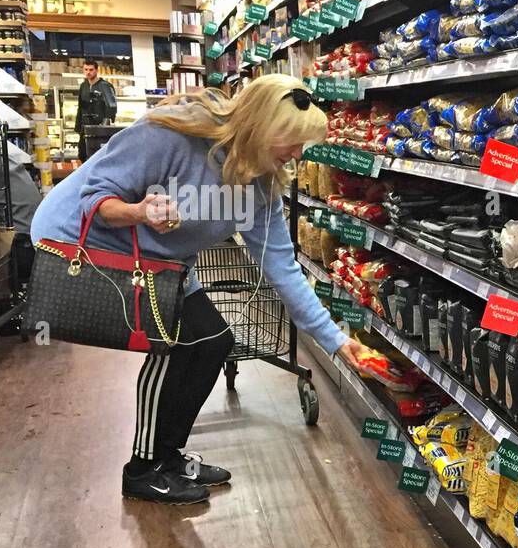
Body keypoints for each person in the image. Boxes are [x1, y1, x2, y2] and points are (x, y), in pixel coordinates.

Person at [30, 73, 366, 505]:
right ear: (263, 129)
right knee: (174, 342)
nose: (298, 155)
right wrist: (139, 210)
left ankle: (167, 458)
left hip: (163, 262)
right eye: (292, 142)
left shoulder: (261, 189)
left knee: (212, 341)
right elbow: (94, 197)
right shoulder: (169, 136)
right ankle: (142, 468)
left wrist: (338, 343)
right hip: (83, 240)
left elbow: (283, 270)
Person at [75, 58, 117, 159]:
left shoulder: (105, 86)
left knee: (98, 157)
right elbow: (80, 106)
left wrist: (105, 127)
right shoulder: (83, 86)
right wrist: (78, 126)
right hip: (85, 128)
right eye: (86, 69)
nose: (88, 72)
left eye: (91, 69)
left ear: (96, 70)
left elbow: (112, 107)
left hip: (99, 131)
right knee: (82, 155)